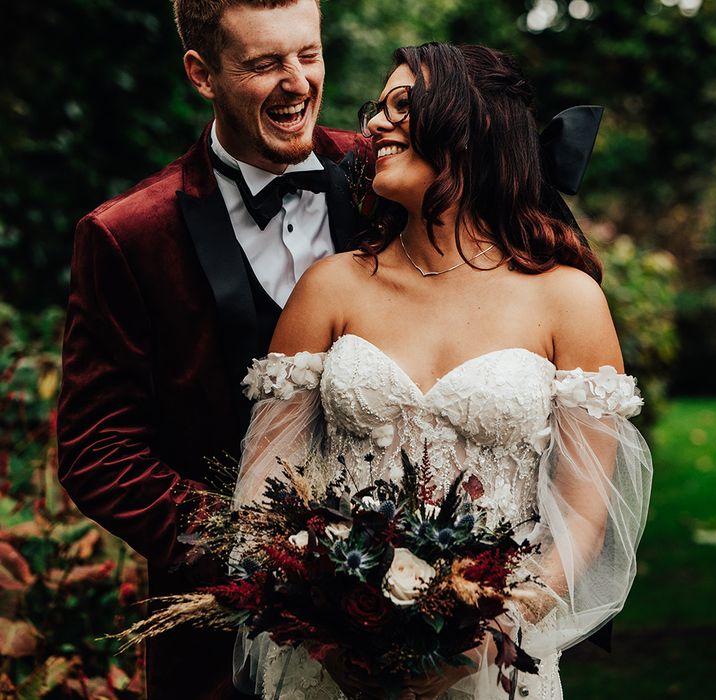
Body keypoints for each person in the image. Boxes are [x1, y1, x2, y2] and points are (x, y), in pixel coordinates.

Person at [232, 43, 652, 699]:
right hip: (330, 666)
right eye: (379, 107)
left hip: (490, 663)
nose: (373, 124)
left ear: (471, 129)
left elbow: (581, 519)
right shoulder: (331, 288)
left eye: (403, 106)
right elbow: (262, 485)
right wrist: (327, 629)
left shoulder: (567, 300)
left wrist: (484, 635)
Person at [56, 1, 365, 697]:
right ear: (202, 73)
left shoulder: (391, 179)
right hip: (220, 646)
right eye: (264, 64)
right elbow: (96, 448)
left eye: (307, 55)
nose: (296, 83)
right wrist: (255, 552)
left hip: (414, 624)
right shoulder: (126, 235)